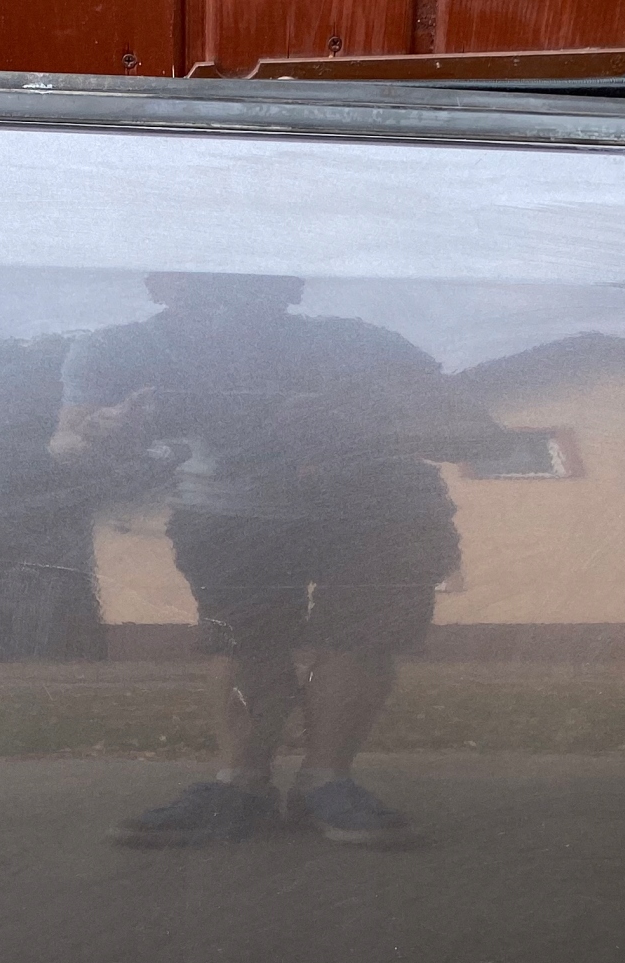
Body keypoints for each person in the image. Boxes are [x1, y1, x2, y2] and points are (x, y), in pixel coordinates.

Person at [52, 273, 497, 846]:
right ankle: (245, 788)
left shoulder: (361, 343)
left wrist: (362, 423)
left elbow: (475, 434)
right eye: (200, 285)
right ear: (159, 285)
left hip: (382, 510)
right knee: (245, 642)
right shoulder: (116, 349)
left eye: (247, 284)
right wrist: (101, 431)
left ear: (288, 288)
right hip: (231, 512)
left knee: (359, 640)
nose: (224, 300)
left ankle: (324, 783)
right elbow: (66, 445)